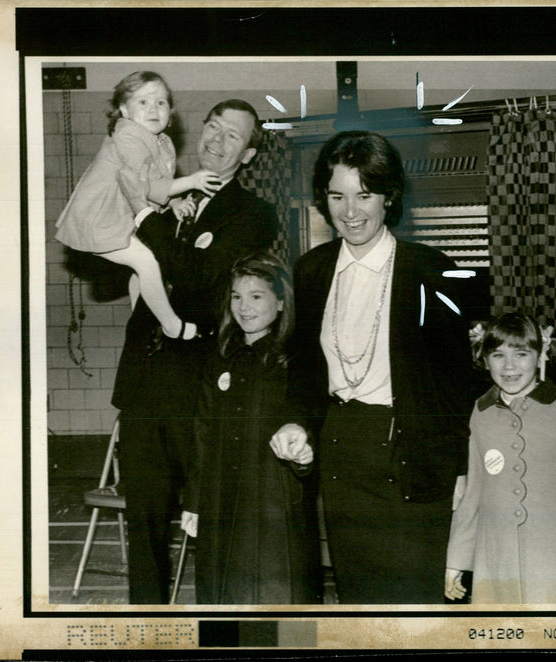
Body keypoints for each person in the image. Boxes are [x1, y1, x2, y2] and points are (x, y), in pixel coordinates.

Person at [270, 131, 473, 604]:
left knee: (418, 599)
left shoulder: (431, 269)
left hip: (414, 450)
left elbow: (456, 382)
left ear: (388, 198)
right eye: (337, 196)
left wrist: (462, 468)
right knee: (360, 596)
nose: (350, 211)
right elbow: (304, 370)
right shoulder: (311, 270)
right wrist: (297, 422)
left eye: (365, 194)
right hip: (343, 449)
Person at [111, 98, 279, 604]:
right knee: (141, 519)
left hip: (198, 388)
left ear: (248, 155)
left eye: (233, 136)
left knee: (204, 516)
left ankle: (214, 622)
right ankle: (146, 622)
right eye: (212, 126)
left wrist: (146, 215)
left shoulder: (253, 213)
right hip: (143, 382)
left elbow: (202, 280)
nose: (216, 139)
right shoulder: (166, 189)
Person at [444, 312, 556, 604]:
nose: (510, 366)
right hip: (496, 564)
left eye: (521, 354)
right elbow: (472, 496)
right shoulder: (481, 412)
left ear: (541, 356)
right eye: (498, 355)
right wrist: (457, 561)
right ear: (485, 360)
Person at [188, 252, 322, 604]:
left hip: (272, 499)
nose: (244, 307)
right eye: (237, 296)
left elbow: (309, 416)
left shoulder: (299, 357)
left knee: (278, 600)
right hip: (220, 497)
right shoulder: (219, 354)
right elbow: (201, 431)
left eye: (256, 296)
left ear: (280, 302)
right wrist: (193, 502)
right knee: (222, 596)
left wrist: (302, 450)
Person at [55, 70, 223, 340]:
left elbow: (157, 181)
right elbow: (144, 188)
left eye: (161, 102)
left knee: (144, 265)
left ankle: (140, 320)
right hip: (99, 218)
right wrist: (191, 181)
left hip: (119, 216)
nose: (153, 109)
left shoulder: (162, 142)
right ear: (124, 110)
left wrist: (175, 201)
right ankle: (172, 325)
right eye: (142, 102)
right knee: (145, 261)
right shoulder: (128, 136)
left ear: (171, 111)